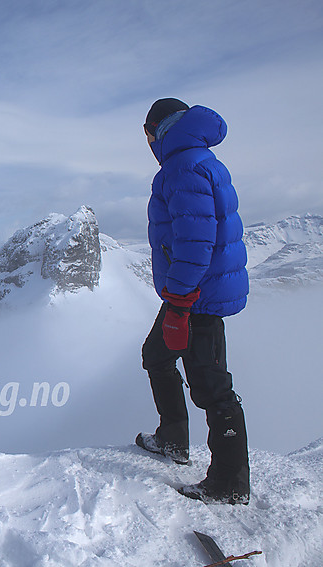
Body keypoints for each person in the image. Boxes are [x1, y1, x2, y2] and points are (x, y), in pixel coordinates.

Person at [135, 98, 250, 505]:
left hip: (197, 295)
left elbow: (195, 241)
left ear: (156, 129)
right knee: (156, 353)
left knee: (211, 386)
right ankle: (172, 439)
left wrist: (181, 301)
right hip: (194, 291)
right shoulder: (196, 160)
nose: (146, 142)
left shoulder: (182, 167)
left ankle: (229, 482)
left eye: (146, 133)